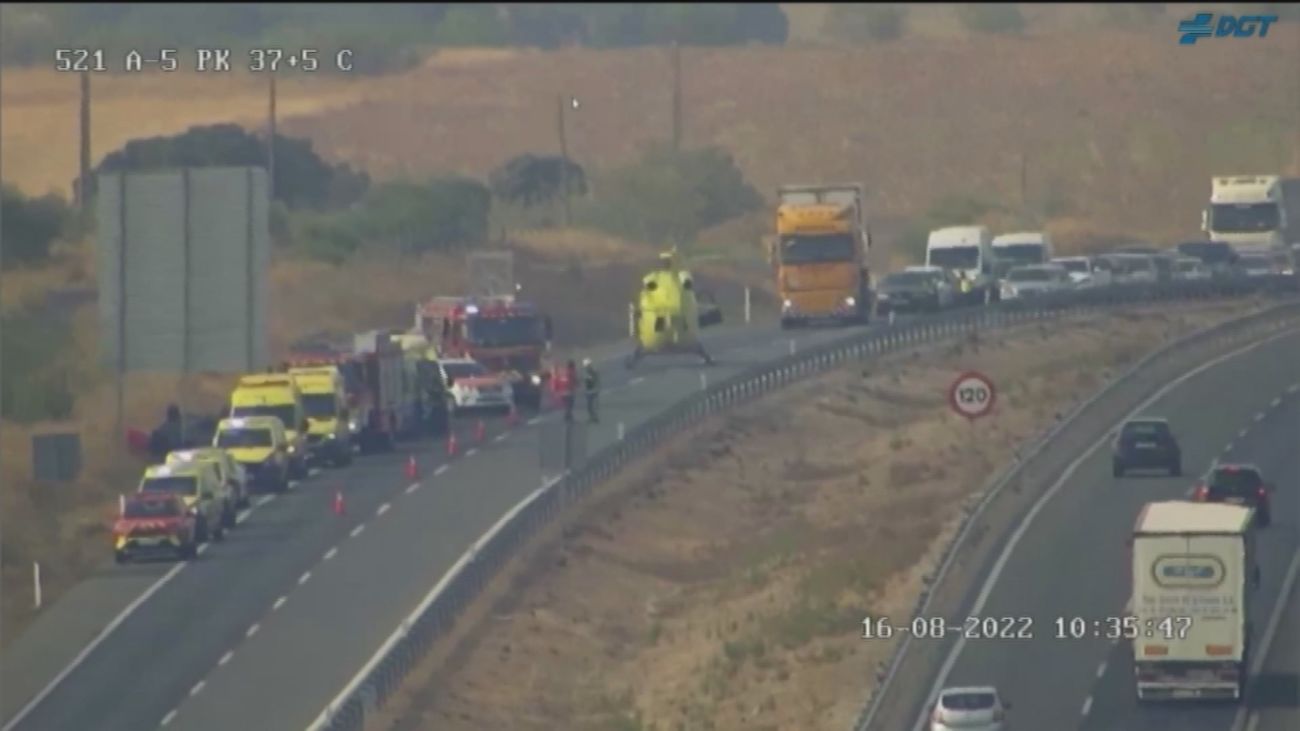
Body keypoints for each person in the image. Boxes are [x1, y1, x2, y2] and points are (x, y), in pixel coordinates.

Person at [582, 358, 600, 423]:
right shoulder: (587, 372)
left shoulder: (593, 372)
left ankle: (594, 417)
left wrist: (597, 388)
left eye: (586, 365)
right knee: (590, 406)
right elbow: (585, 382)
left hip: (592, 391)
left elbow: (596, 380)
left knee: (592, 406)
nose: (586, 366)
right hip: (590, 391)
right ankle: (592, 417)